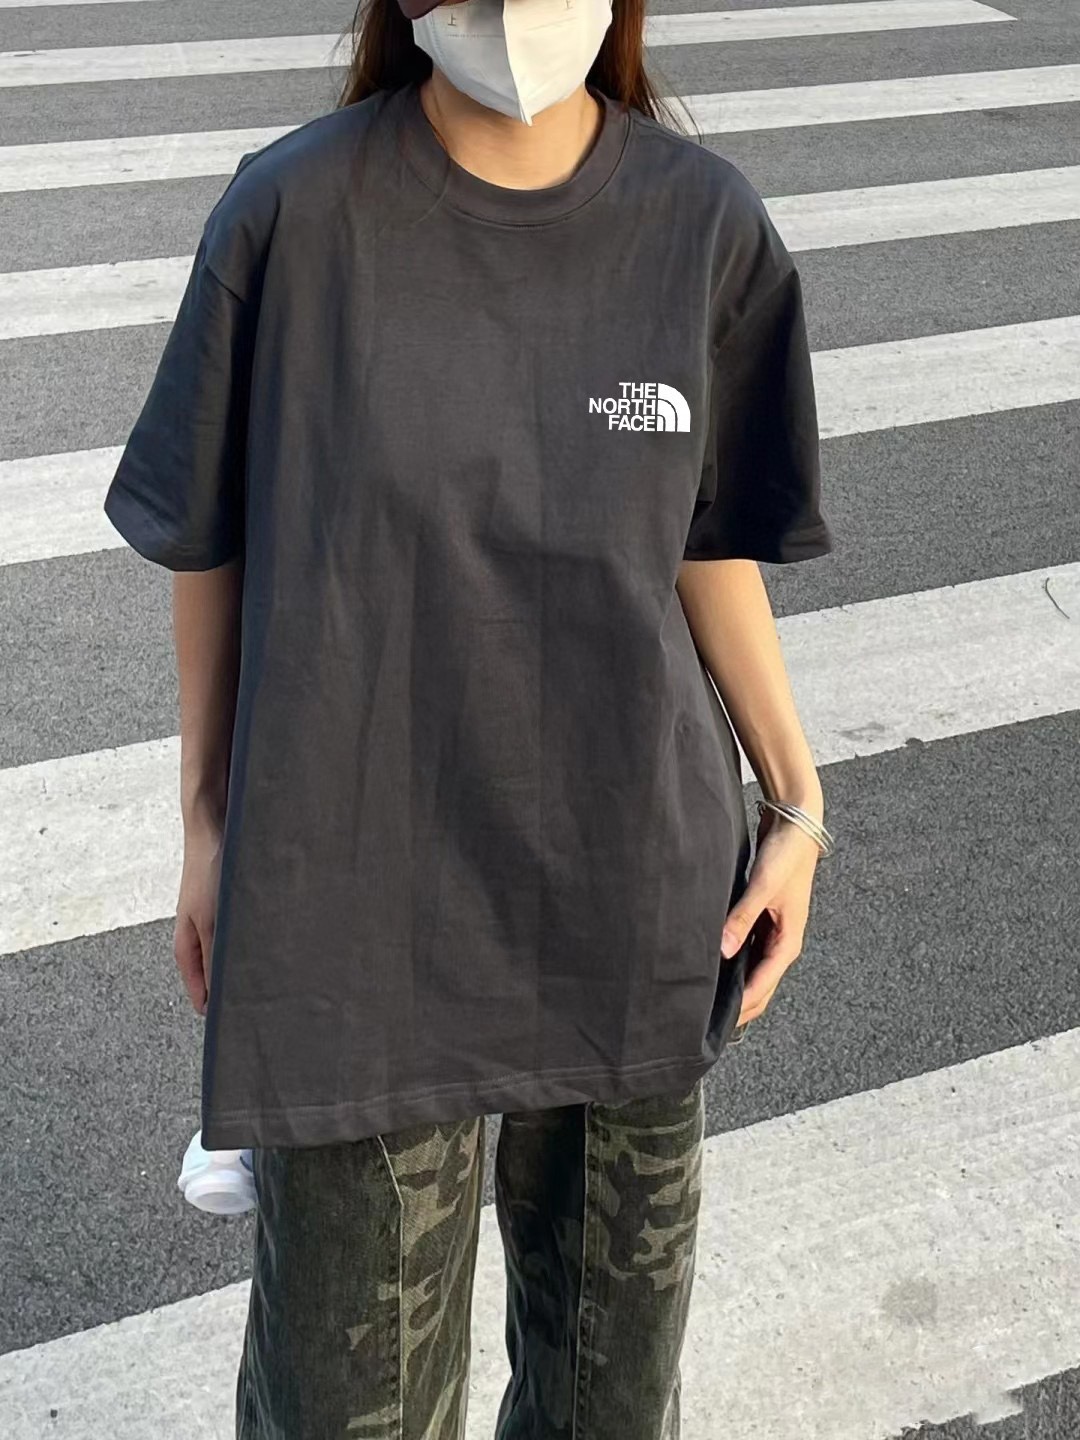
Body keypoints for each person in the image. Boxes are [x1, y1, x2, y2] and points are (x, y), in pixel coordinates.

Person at [103, 0, 835, 1431]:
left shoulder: (703, 227)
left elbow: (698, 539)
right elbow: (211, 540)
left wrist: (796, 799)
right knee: (349, 1406)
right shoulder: (292, 217)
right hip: (358, 918)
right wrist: (206, 826)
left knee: (607, 1397)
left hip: (633, 904)